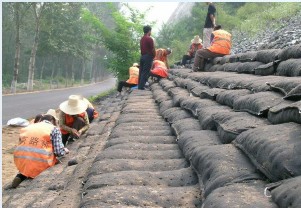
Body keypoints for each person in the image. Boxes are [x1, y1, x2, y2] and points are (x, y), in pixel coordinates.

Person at [11, 114, 69, 188]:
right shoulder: (54, 129)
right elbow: (59, 152)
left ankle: (20, 175)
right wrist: (65, 151)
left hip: (20, 158)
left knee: (28, 166)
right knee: (53, 162)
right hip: (40, 159)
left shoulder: (29, 127)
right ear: (53, 121)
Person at [138, 25, 156, 90]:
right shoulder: (149, 38)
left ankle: (139, 85)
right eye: (150, 31)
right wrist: (154, 55)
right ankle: (141, 87)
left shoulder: (142, 39)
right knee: (145, 72)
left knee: (141, 71)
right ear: (149, 31)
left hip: (142, 56)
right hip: (148, 57)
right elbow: (152, 49)